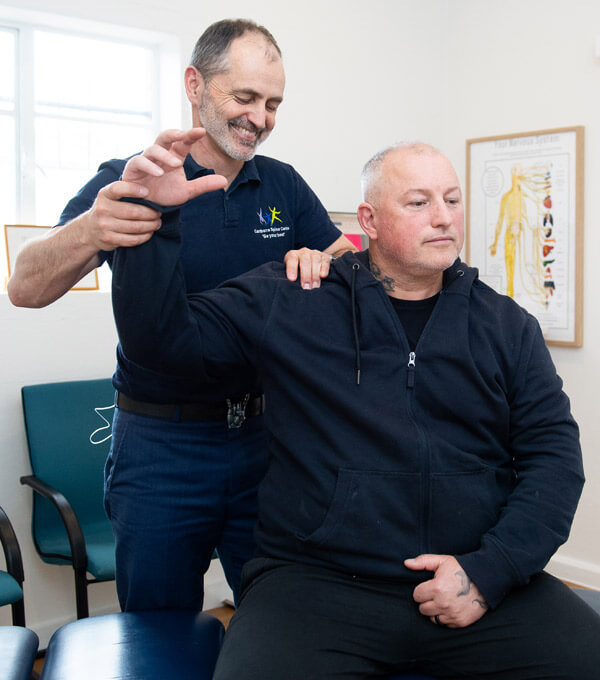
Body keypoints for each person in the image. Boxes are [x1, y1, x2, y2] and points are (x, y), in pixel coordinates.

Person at [109, 133, 600, 679]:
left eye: (452, 200)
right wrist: (153, 221)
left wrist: (491, 571)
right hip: (318, 585)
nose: (443, 217)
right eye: (419, 202)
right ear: (369, 220)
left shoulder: (508, 327)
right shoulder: (294, 299)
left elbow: (555, 461)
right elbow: (161, 343)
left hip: (469, 575)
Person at [7, 19, 356, 611]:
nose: (261, 118)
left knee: (280, 617)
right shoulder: (132, 179)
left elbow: (347, 259)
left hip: (264, 439)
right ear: (195, 84)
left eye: (273, 104)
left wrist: (324, 258)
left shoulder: (283, 185)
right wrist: (94, 227)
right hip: (160, 446)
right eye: (245, 97)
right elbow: (25, 286)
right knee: (158, 630)